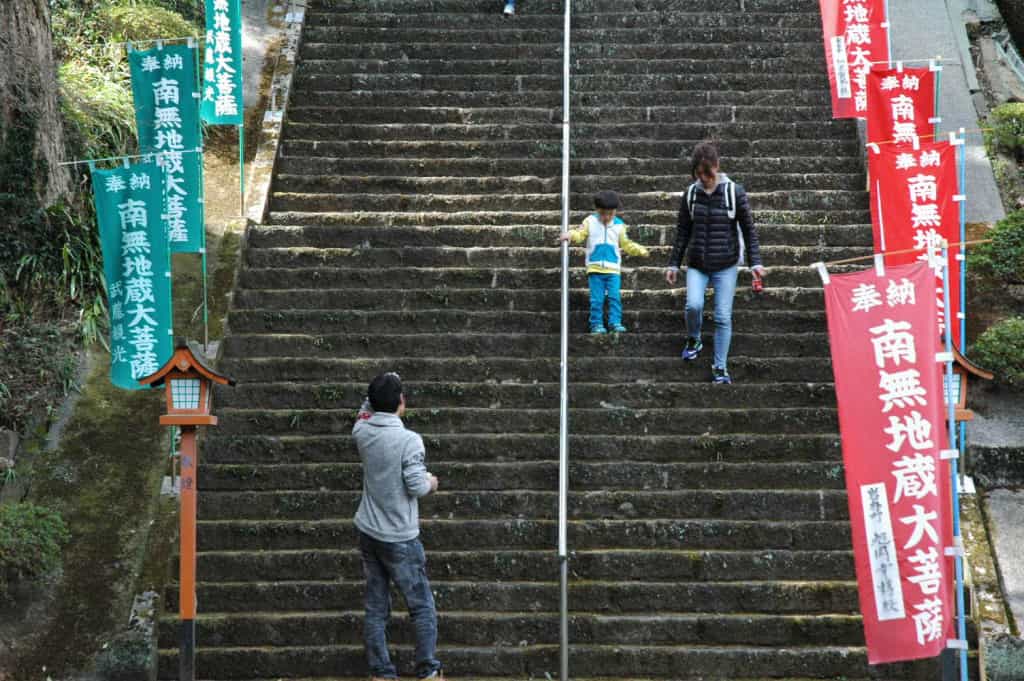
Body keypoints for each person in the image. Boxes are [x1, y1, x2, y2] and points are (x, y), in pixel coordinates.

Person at [353, 372, 444, 680]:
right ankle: (428, 669)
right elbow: (417, 486)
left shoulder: (362, 431)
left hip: (369, 530)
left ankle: (381, 672)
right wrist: (431, 483)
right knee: (421, 605)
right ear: (401, 401)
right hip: (400, 537)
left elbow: (365, 409)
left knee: (377, 605)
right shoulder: (409, 441)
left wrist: (380, 386)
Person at [665, 142, 765, 384]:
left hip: (726, 264)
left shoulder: (734, 192)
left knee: (722, 316)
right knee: (693, 306)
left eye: (706, 173)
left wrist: (755, 263)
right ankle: (694, 337)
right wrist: (673, 264)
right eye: (698, 174)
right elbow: (682, 231)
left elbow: (748, 230)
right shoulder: (690, 194)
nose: (703, 178)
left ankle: (720, 367)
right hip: (698, 262)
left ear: (716, 167)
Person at [558, 190, 650, 334]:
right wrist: (570, 234)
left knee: (614, 297)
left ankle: (615, 322)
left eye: (610, 214)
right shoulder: (590, 221)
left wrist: (639, 250)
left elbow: (626, 244)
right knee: (597, 299)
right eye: (603, 213)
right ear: (596, 210)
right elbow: (580, 234)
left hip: (613, 269)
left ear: (615, 211)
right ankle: (596, 324)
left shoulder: (620, 225)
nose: (607, 217)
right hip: (595, 269)